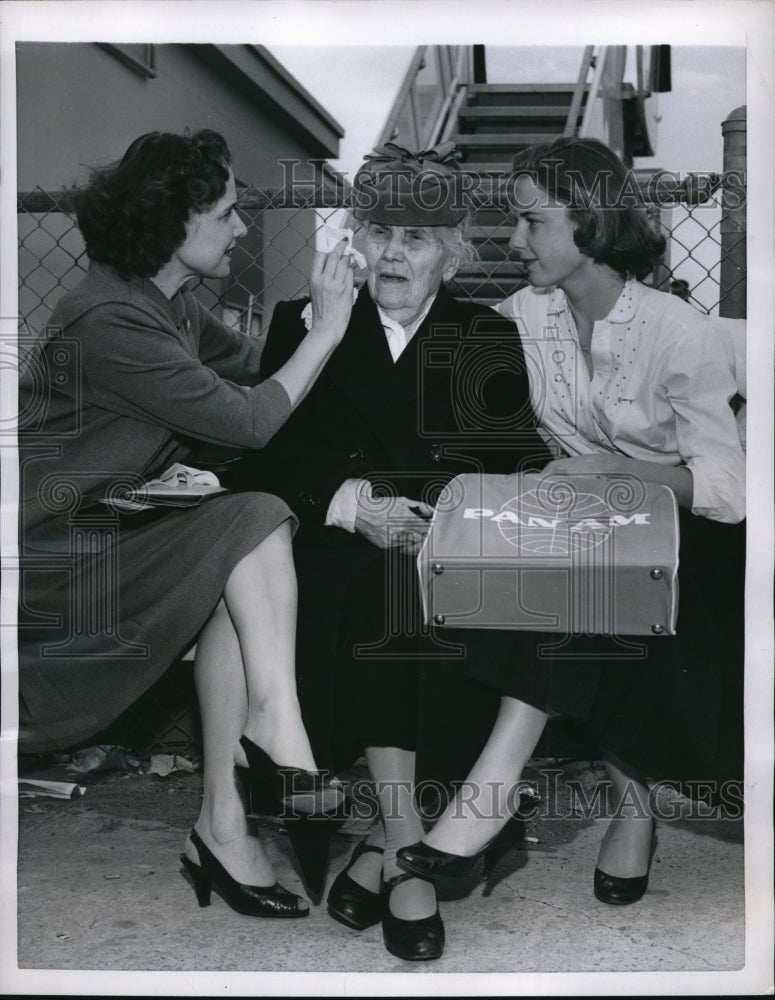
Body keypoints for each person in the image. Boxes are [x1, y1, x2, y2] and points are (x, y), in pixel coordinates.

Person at [397, 136, 746, 908]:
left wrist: (614, 471)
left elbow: (727, 488)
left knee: (587, 569)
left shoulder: (677, 331)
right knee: (564, 567)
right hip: (593, 538)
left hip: (706, 546)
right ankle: (612, 804)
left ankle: (493, 806)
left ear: (587, 220)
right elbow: (439, 350)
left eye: (529, 222)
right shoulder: (526, 315)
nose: (512, 240)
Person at [17, 129, 356, 919]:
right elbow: (249, 418)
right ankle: (271, 746)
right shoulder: (107, 320)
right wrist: (329, 331)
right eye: (229, 214)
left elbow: (259, 364)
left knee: (247, 544)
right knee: (253, 522)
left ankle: (226, 824)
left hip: (115, 529)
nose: (242, 230)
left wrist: (354, 320)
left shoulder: (164, 303)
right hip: (55, 557)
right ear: (176, 222)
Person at [246, 141, 551, 959]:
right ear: (355, 240)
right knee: (387, 588)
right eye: (379, 230)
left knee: (418, 585)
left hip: (444, 551)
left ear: (450, 254)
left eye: (415, 238)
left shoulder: (480, 336)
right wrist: (348, 502)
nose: (390, 253)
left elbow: (512, 461)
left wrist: (451, 510)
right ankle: (410, 843)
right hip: (332, 551)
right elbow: (265, 456)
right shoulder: (302, 321)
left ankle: (386, 846)